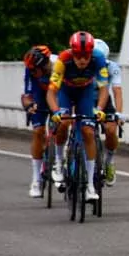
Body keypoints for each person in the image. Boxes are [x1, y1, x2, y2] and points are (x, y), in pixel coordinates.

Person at [46, 32, 110, 202]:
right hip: (66, 91)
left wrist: (100, 109)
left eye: (86, 56)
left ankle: (89, 185)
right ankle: (58, 163)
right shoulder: (63, 60)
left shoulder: (99, 59)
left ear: (91, 54)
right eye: (79, 56)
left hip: (86, 92)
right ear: (72, 53)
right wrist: (56, 112)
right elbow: (51, 92)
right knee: (64, 123)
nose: (82, 60)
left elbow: (104, 89)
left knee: (88, 131)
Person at [20, 46, 55, 196]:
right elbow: (27, 95)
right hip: (39, 96)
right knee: (38, 131)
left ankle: (62, 160)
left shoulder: (59, 64)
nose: (33, 73)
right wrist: (28, 106)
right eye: (31, 71)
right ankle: (36, 180)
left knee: (64, 126)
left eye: (35, 70)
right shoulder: (31, 70)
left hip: (57, 94)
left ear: (44, 64)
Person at [93, 38, 123, 184]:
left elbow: (117, 91)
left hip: (104, 99)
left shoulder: (112, 67)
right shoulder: (82, 65)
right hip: (83, 97)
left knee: (111, 130)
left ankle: (109, 161)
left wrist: (119, 113)